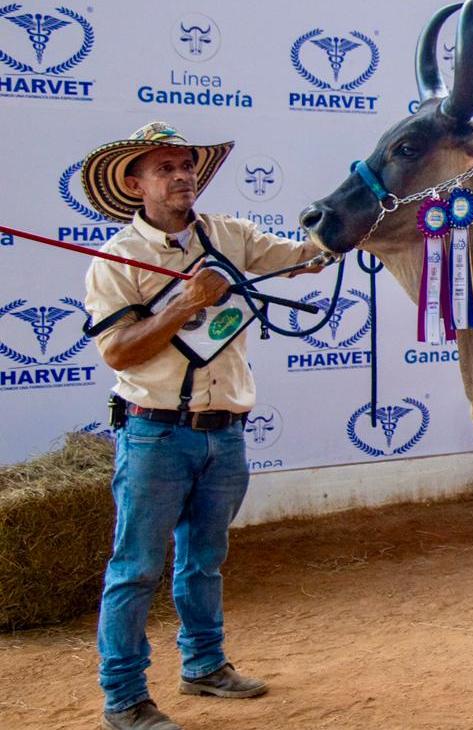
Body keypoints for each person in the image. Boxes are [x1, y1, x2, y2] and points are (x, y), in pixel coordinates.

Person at [82, 122, 323, 730]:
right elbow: (118, 352)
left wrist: (358, 221)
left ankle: (205, 667)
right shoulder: (116, 261)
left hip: (225, 431)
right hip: (154, 433)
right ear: (136, 183)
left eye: (187, 164)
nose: (182, 174)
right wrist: (187, 303)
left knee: (203, 560)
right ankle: (125, 698)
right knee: (136, 568)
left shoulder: (230, 236)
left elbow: (302, 258)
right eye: (165, 167)